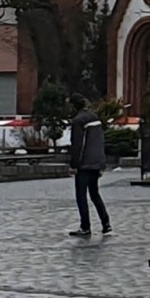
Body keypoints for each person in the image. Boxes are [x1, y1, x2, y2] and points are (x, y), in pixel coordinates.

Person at [66, 94, 111, 238]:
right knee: (94, 193)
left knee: (81, 195)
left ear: (73, 106)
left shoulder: (78, 121)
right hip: (97, 162)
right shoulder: (94, 118)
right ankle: (106, 223)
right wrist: (101, 162)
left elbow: (77, 145)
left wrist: (74, 164)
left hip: (84, 164)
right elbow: (99, 142)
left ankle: (85, 226)